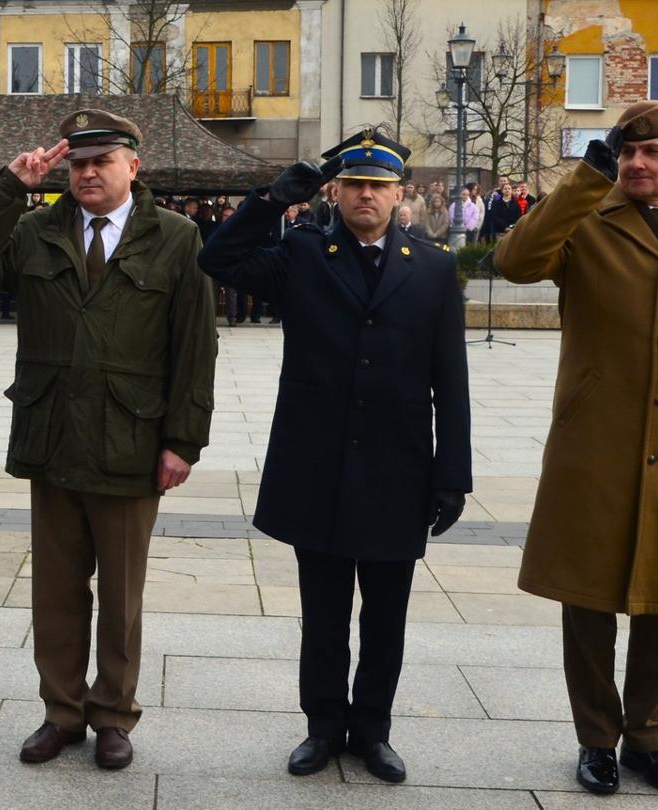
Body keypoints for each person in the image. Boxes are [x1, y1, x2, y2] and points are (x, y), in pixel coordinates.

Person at [493, 100, 658, 798]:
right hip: (595, 446)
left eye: (652, 153)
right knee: (587, 601)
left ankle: (647, 737)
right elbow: (515, 261)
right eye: (627, 154)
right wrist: (583, 180)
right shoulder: (586, 217)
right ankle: (596, 740)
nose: (637, 164)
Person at [198, 129, 470, 785]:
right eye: (354, 185)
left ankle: (372, 731)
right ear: (336, 191)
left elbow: (450, 378)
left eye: (378, 186)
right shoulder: (302, 253)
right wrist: (267, 202)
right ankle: (323, 727)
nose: (366, 196)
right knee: (323, 616)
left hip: (397, 469)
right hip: (317, 464)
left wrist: (451, 475)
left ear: (399, 193)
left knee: (385, 617)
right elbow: (219, 261)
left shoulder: (431, 267)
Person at [0, 109, 218, 770]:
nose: (88, 173)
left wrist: (184, 441)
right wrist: (9, 187)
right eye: (77, 163)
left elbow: (195, 348)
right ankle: (62, 712)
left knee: (122, 596)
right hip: (55, 437)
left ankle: (113, 714)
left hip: (130, 440)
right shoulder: (36, 230)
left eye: (102, 161)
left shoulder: (178, 239)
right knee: (56, 590)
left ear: (135, 164)